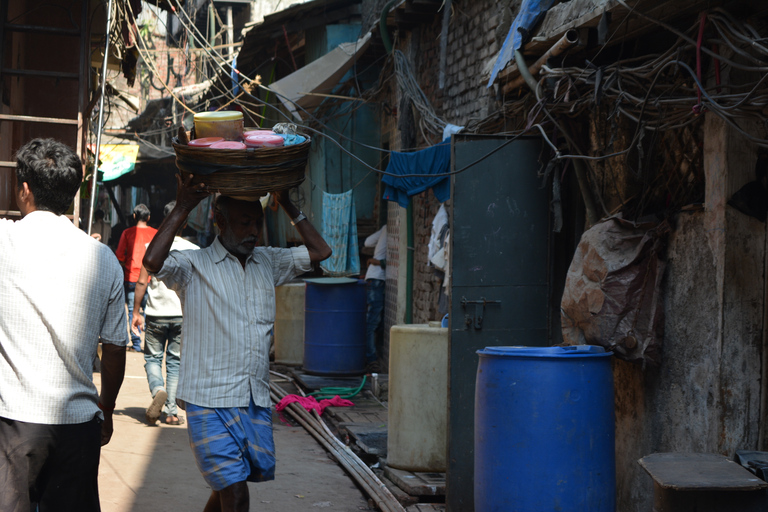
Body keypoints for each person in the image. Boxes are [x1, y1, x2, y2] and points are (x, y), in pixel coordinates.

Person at [143, 174, 331, 512]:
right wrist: (184, 205)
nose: (253, 232)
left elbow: (321, 251)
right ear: (219, 221)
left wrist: (285, 203)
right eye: (244, 223)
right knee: (235, 493)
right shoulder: (193, 266)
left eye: (257, 223)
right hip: (208, 401)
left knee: (226, 490)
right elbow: (152, 262)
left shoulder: (269, 262)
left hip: (253, 398)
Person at [0, 138, 127, 511]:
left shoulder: (4, 241)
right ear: (72, 194)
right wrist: (106, 407)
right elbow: (115, 347)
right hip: (78, 424)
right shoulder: (103, 259)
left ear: (25, 190)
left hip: (14, 422)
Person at [131, 201, 198, 426]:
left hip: (156, 313)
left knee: (152, 358)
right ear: (185, 223)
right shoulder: (195, 251)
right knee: (175, 362)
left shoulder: (153, 247)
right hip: (181, 315)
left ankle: (158, 389)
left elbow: (142, 281)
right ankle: (171, 412)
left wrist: (136, 312)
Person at [116, 203, 158, 352]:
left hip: (132, 277)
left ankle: (135, 344)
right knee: (150, 311)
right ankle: (150, 344)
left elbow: (120, 255)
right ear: (148, 218)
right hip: (151, 279)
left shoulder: (127, 233)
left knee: (133, 311)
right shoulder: (155, 233)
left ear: (134, 217)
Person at [363, 225, 387, 371]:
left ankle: (371, 356)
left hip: (374, 277)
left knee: (374, 321)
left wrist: (377, 259)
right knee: (372, 321)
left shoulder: (386, 227)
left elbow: (367, 242)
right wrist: (380, 261)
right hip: (377, 277)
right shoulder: (392, 228)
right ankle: (371, 359)